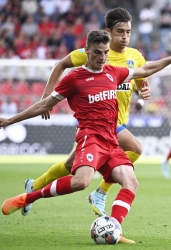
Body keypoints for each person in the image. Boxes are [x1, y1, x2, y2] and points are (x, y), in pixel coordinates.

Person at [0, 30, 171, 243]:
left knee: (131, 182)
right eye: (98, 52)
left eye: (106, 52)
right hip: (91, 138)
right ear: (87, 51)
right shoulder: (74, 78)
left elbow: (145, 69)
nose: (102, 57)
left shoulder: (112, 72)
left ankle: (114, 228)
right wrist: (9, 120)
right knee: (81, 182)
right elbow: (45, 104)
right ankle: (28, 198)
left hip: (111, 140)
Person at [21, 8, 151, 219]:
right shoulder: (95, 52)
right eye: (120, 32)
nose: (125, 36)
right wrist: (47, 97)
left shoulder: (135, 56)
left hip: (116, 122)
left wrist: (144, 90)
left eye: (128, 31)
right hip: (97, 122)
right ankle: (100, 192)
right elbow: (60, 64)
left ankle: (33, 185)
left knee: (70, 166)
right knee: (136, 149)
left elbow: (141, 82)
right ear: (108, 31)